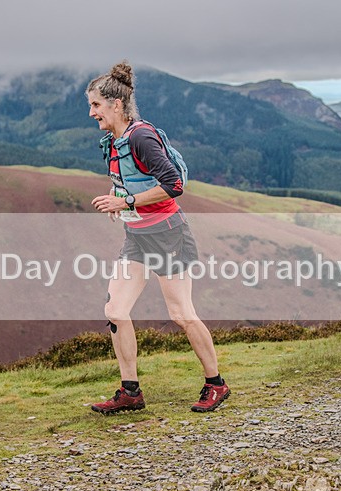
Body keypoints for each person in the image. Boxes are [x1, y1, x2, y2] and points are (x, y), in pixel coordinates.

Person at [86, 61, 230, 415]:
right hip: (136, 237)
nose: (92, 113)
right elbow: (130, 180)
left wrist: (127, 201)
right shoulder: (114, 141)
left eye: (96, 105)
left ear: (116, 105)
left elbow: (174, 186)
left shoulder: (141, 136)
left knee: (181, 313)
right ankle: (130, 391)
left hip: (168, 235)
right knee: (115, 311)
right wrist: (119, 202)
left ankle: (216, 385)